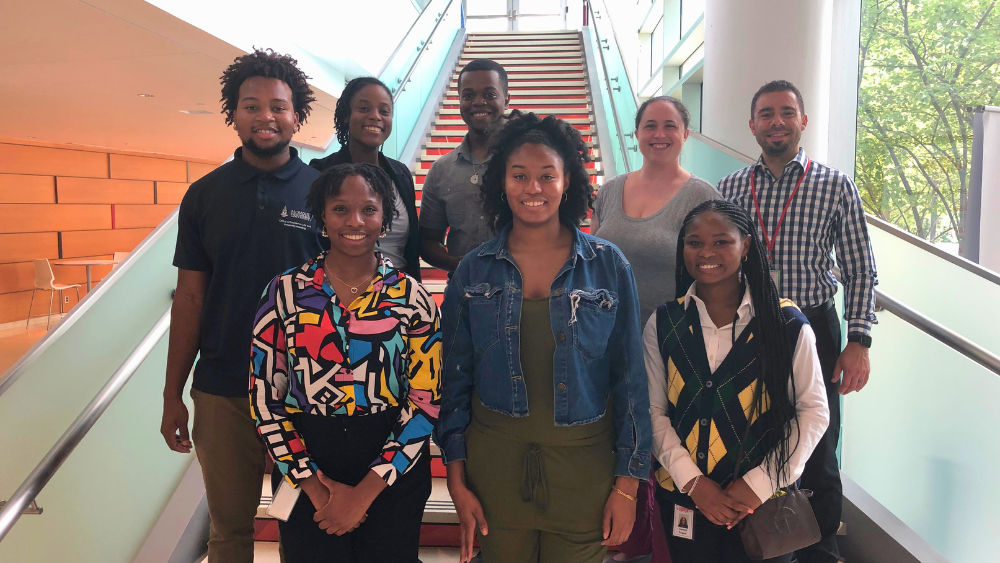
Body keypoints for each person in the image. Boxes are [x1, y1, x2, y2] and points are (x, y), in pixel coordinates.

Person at [435, 112, 653, 563]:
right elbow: (453, 385)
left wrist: (628, 486)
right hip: (493, 471)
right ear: (501, 182)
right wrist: (456, 480)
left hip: (585, 472)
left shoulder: (609, 266)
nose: (532, 188)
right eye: (519, 176)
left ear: (567, 180)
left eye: (546, 176)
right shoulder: (473, 270)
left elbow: (631, 380)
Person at [160, 49, 324, 563]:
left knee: (306, 527)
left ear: (298, 114)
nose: (266, 117)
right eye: (251, 106)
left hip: (307, 389)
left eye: (279, 106)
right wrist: (172, 393)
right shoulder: (204, 195)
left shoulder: (324, 191)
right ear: (233, 113)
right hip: (224, 389)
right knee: (229, 532)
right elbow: (190, 297)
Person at [717, 80, 878, 563]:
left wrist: (860, 339)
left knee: (820, 442)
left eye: (787, 112)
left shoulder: (834, 184)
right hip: (754, 329)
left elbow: (859, 267)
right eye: (766, 114)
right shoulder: (729, 188)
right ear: (752, 126)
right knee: (757, 433)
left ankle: (821, 549)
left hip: (814, 325)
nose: (777, 122)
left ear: (803, 121)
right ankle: (762, 541)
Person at [249, 163, 442, 562]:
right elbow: (265, 397)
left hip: (392, 467)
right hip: (309, 461)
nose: (355, 221)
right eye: (340, 209)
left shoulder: (413, 298)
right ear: (322, 215)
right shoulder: (285, 293)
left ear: (385, 218)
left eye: (368, 209)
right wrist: (317, 488)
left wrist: (365, 492)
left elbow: (426, 400)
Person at [644, 199, 830, 563]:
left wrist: (758, 484)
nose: (705, 252)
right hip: (686, 500)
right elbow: (652, 410)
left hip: (763, 505)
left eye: (721, 241)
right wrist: (693, 482)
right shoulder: (664, 322)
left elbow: (813, 413)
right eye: (694, 242)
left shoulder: (787, 324)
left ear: (745, 246)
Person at [591, 96, 719, 563]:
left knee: (658, 442)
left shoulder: (701, 194)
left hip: (672, 343)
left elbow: (714, 267)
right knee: (610, 438)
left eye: (669, 125)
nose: (659, 133)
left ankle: (653, 547)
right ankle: (611, 539)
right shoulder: (609, 190)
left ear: (686, 133)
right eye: (649, 125)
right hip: (605, 340)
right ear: (637, 133)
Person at [311, 77, 421, 280]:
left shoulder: (401, 174)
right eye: (364, 109)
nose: (375, 117)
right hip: (336, 291)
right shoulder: (320, 172)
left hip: (398, 297)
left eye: (384, 111)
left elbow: (411, 249)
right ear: (346, 115)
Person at [419, 59, 510, 274]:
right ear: (459, 100)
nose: (478, 102)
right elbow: (428, 241)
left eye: (489, 94)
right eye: (468, 95)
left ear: (506, 100)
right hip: (465, 295)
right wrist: (460, 266)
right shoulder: (441, 170)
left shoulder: (528, 162)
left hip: (527, 291)